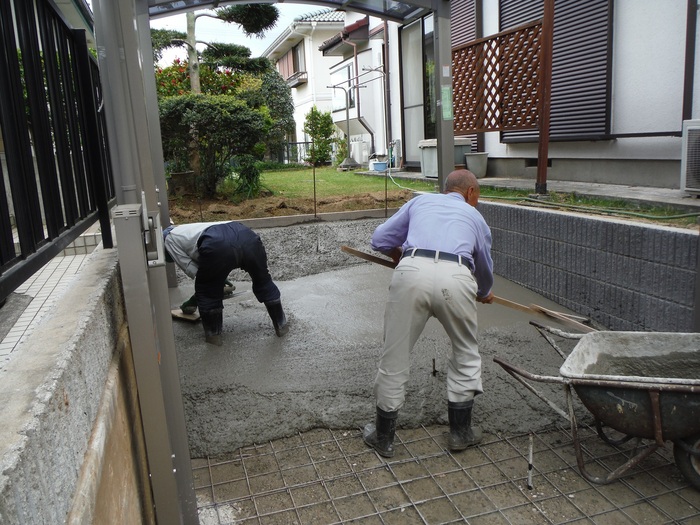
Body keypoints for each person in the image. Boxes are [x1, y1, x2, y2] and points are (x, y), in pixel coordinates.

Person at [363, 169, 494, 458]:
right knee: (465, 352)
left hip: (411, 273)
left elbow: (379, 239)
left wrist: (403, 257)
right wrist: (484, 292)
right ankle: (460, 434)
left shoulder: (419, 202)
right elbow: (483, 263)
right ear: (470, 193)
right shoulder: (475, 217)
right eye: (478, 197)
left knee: (394, 355)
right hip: (457, 277)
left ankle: (383, 437)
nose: (477, 202)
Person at [163, 221, 288, 345]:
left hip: (217, 244)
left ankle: (214, 337)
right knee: (263, 280)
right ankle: (281, 325)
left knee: (207, 292)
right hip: (247, 236)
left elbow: (193, 269)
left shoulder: (168, 240)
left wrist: (212, 284)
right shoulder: (190, 229)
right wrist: (219, 279)